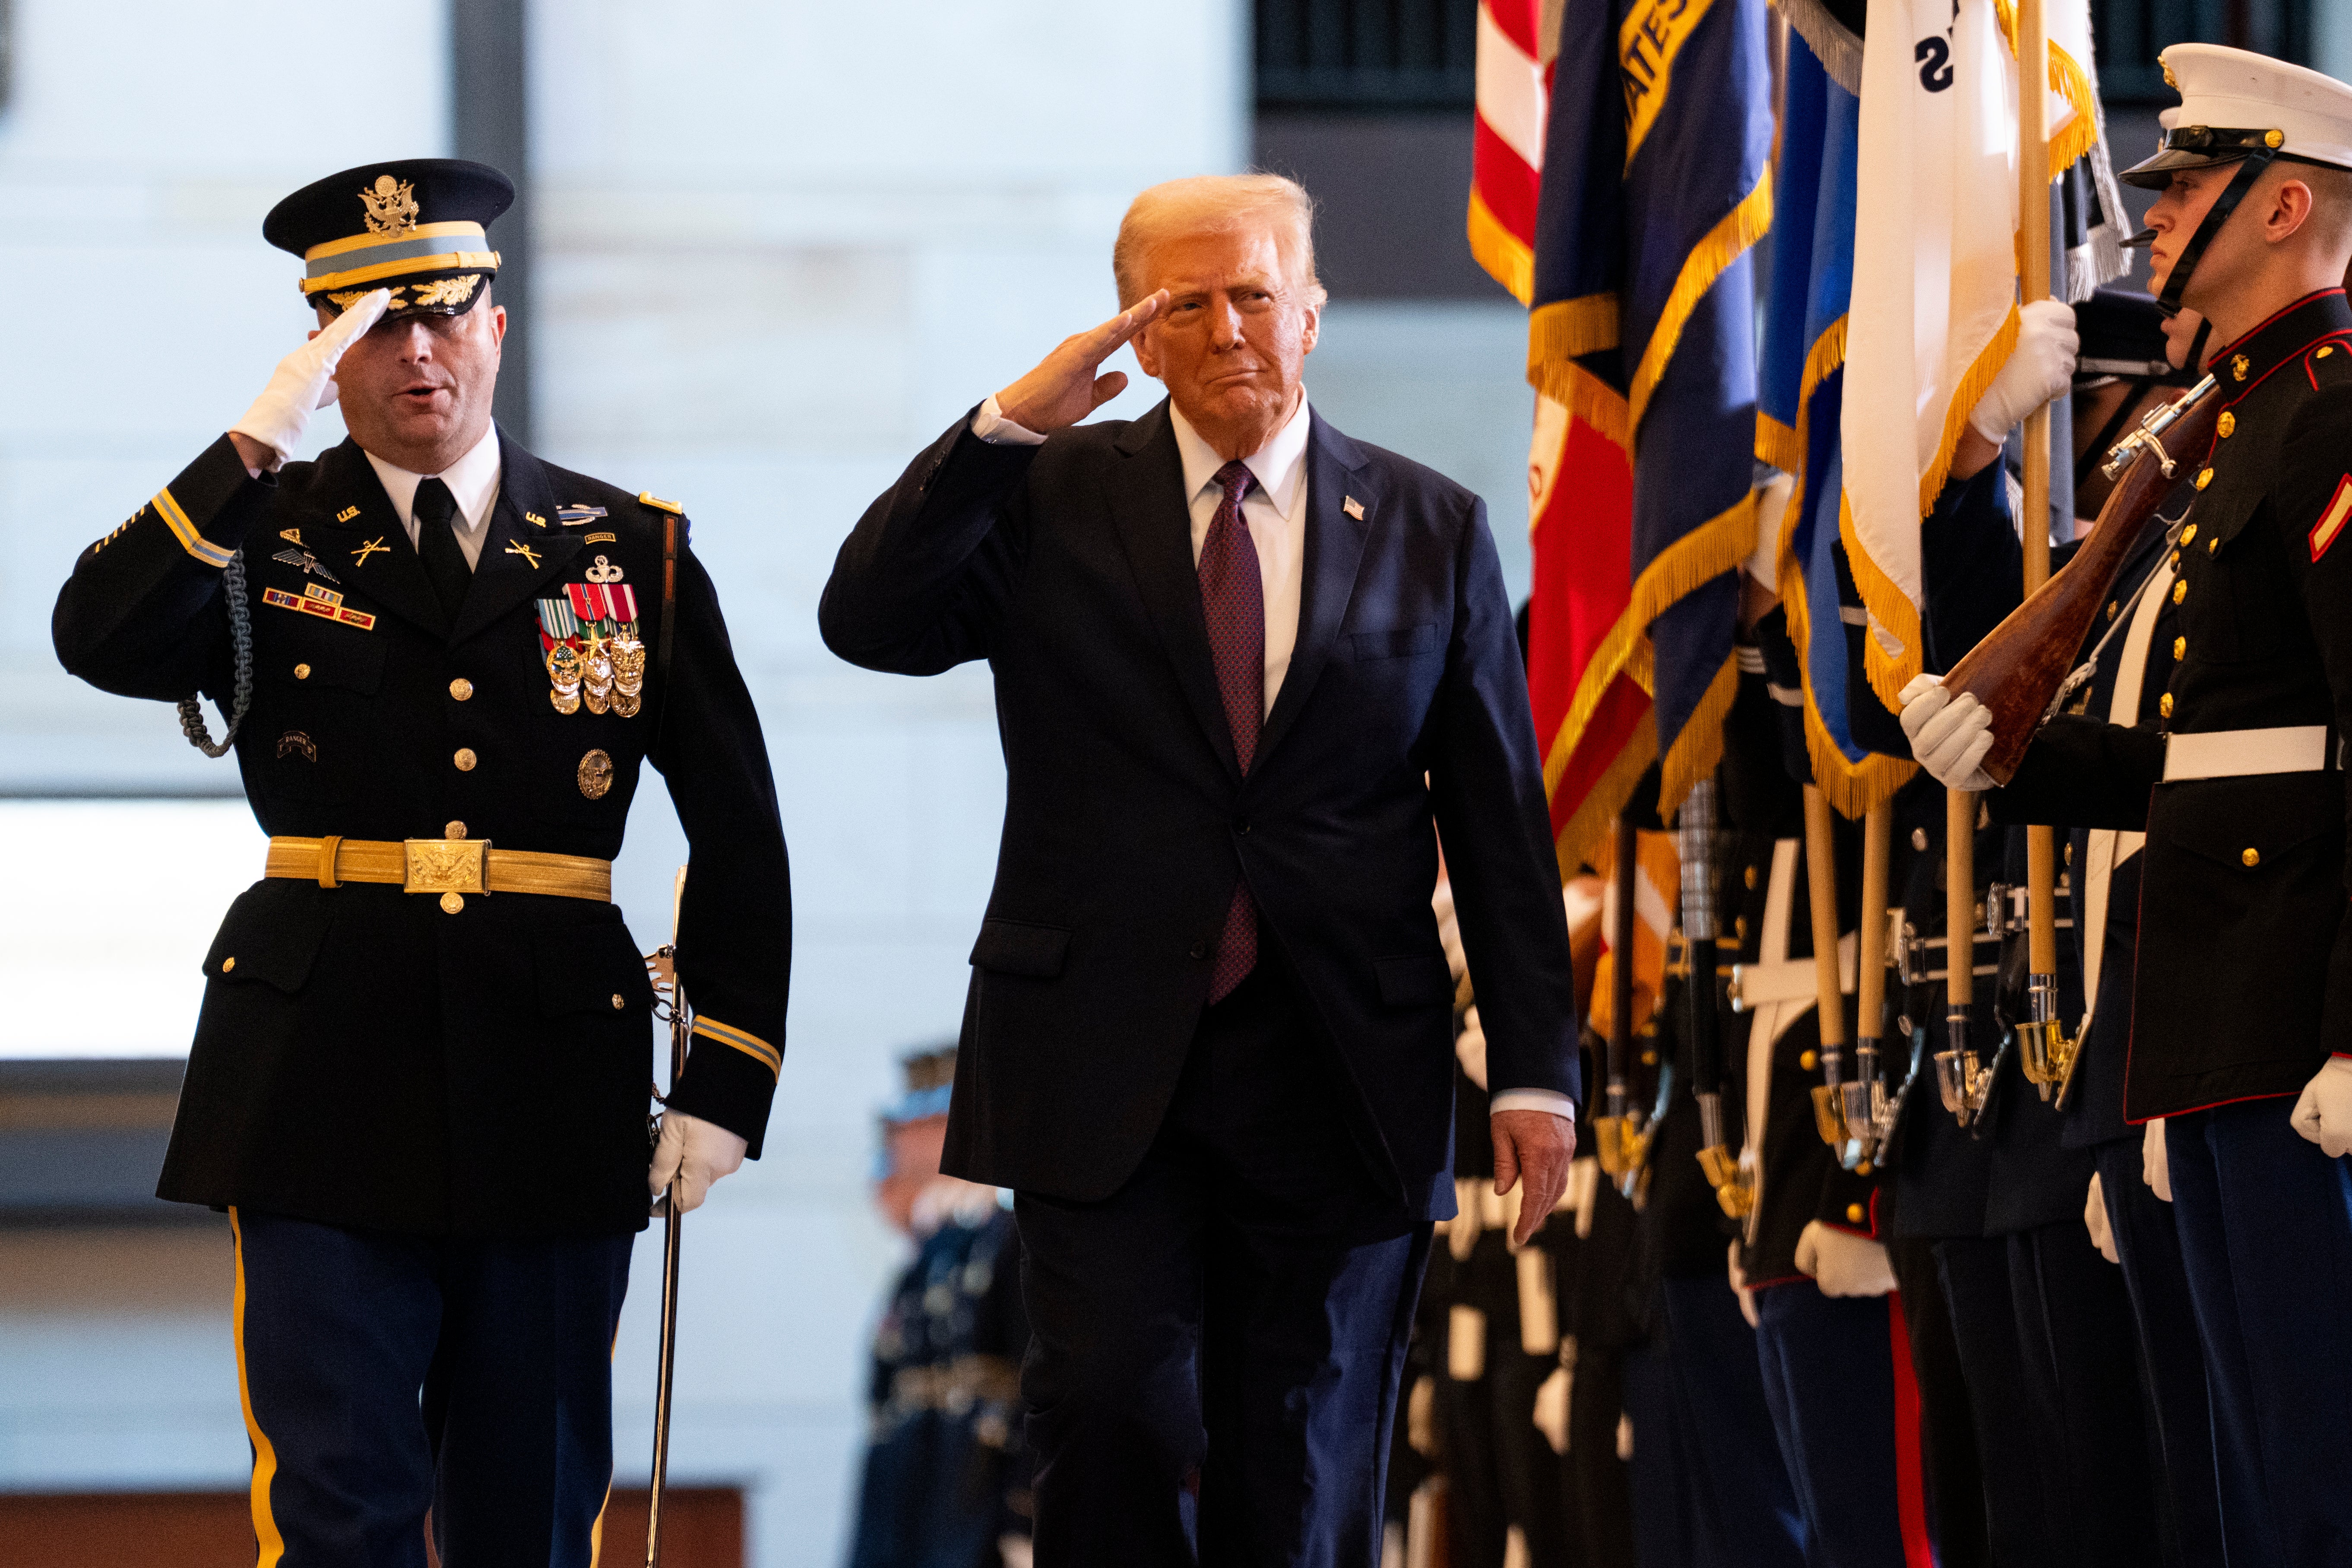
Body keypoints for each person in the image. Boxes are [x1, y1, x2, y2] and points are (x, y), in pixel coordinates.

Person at [819, 173, 1581, 1565]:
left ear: (1311, 312)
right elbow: (866, 618)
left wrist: (1534, 1071)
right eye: (1187, 304)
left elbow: (1497, 823)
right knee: (1110, 1411)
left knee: (1304, 1463)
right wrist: (1003, 426)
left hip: (1343, 1069)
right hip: (1100, 1060)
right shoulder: (1047, 496)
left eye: (1254, 294)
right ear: (1137, 331)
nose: (1228, 328)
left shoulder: (1431, 525)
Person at [49, 159, 790, 1565]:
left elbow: (739, 824)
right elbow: (96, 633)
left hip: (551, 1073)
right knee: (340, 1509)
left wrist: (726, 1080)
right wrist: (251, 442)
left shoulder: (630, 550)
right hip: (316, 1077)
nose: (417, 351)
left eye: (443, 313)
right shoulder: (260, 534)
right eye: (374, 325)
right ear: (326, 355)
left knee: (531, 1510)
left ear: (495, 326)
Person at [1903, 44, 2352, 1564]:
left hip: (2288, 1017)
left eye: (2187, 186)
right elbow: (2198, 758)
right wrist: (2013, 758)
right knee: (2246, 1484)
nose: (2152, 213)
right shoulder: (2229, 431)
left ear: (2281, 206)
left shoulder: (2329, 415)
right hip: (2204, 1015)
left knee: (2314, 1476)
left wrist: (2350, 1029)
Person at [850, 1046, 1034, 1568]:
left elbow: (1035, 1378)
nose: (894, 1151)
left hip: (976, 1486)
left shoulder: (1008, 1233)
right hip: (917, 1485)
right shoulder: (935, 1244)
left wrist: (1025, 1512)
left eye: (912, 1130)